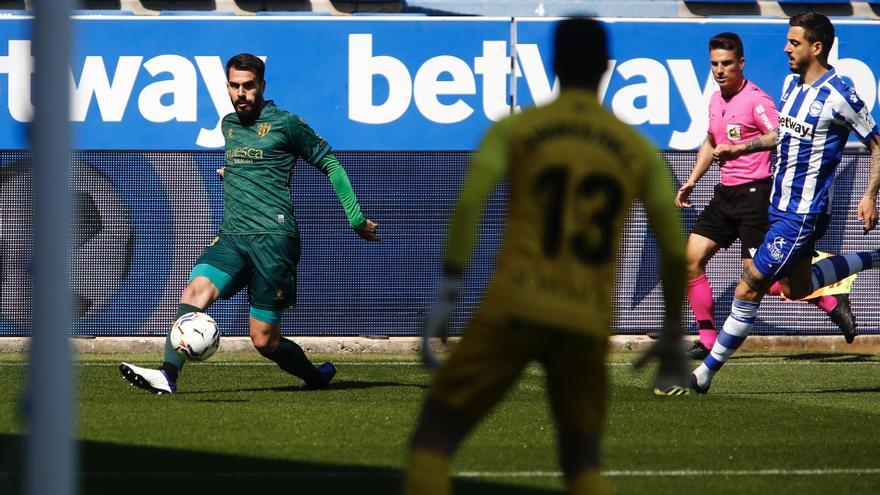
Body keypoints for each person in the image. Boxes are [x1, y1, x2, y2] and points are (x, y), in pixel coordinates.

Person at [404, 17, 689, 495]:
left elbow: (470, 203)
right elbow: (671, 246)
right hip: (585, 318)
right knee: (582, 466)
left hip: (514, 306)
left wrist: (449, 290)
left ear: (552, 64)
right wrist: (673, 330)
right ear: (605, 68)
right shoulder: (636, 148)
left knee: (433, 439)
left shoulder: (519, 128)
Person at [119, 53, 379, 394]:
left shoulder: (286, 124)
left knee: (263, 340)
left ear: (262, 86)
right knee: (194, 291)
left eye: (248, 86)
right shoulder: (228, 124)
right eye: (234, 85)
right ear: (227, 86)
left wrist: (355, 218)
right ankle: (168, 375)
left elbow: (330, 163)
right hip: (233, 237)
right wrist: (234, 175)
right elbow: (251, 168)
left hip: (273, 240)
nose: (241, 93)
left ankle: (315, 378)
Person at [689, 12, 880, 394]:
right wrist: (739, 148)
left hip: (802, 214)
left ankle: (704, 373)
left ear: (816, 47)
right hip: (778, 205)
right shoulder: (791, 85)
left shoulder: (840, 93)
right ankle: (870, 261)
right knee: (795, 288)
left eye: (793, 42)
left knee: (749, 287)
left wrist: (870, 193)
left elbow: (877, 143)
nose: (785, 48)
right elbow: (780, 136)